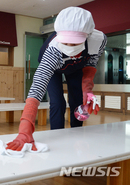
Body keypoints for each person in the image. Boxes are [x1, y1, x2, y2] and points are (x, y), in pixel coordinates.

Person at [6, 7, 107, 151]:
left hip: (77, 68)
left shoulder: (99, 40)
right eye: (65, 43)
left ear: (88, 35)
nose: (70, 47)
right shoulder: (52, 51)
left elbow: (91, 62)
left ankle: (76, 136)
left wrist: (87, 88)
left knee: (78, 101)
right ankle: (57, 137)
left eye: (75, 43)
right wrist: (24, 128)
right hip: (55, 69)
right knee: (57, 103)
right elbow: (37, 88)